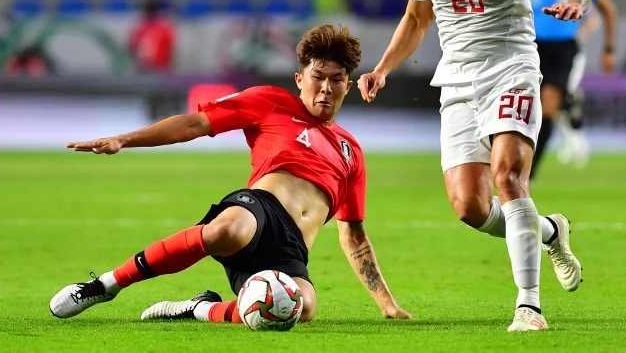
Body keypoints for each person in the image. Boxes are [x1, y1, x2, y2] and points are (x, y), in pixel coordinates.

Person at [357, 0, 587, 332]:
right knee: (469, 207)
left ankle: (529, 307)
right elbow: (417, 19)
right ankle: (549, 230)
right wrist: (381, 69)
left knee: (509, 177)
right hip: (458, 83)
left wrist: (574, 1)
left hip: (512, 73)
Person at [49, 24, 411, 324]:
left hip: (292, 248)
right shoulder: (271, 102)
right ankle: (106, 286)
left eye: (336, 80)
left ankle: (199, 309)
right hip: (261, 210)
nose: (326, 88)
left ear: (348, 85)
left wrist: (387, 304)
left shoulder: (351, 151)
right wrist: (124, 140)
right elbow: (194, 124)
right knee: (226, 229)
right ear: (300, 79)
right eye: (318, 77)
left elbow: (354, 236)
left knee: (301, 308)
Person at [530, 0, 618, 177]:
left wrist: (609, 49)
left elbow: (608, 9)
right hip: (529, 48)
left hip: (562, 49)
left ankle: (528, 175)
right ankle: (569, 106)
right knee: (525, 112)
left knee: (547, 109)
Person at [128, 0, 176, 73]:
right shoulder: (164, 27)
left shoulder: (141, 28)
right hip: (154, 68)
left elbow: (132, 47)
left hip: (155, 68)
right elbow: (170, 50)